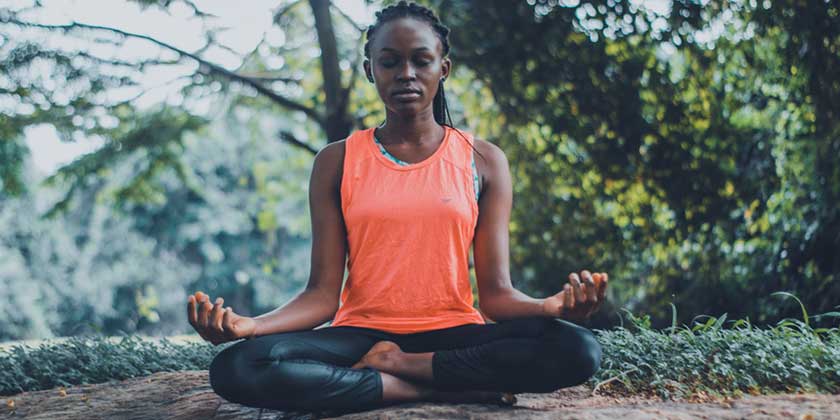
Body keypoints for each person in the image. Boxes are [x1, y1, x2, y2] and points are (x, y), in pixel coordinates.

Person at [187, 1, 609, 416]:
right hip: (359, 335)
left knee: (578, 349)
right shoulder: (337, 161)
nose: (406, 74)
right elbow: (320, 296)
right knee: (239, 366)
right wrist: (250, 326)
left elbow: (497, 297)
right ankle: (423, 391)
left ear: (442, 68)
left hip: (453, 334)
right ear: (371, 69)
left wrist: (551, 307)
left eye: (421, 61)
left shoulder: (482, 160)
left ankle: (399, 368)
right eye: (390, 62)